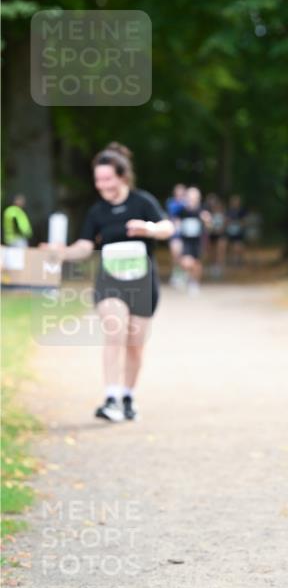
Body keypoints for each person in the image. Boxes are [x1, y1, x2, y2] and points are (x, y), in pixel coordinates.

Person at [42, 143, 174, 422]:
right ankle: (110, 397)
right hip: (110, 281)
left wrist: (148, 229)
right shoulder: (97, 212)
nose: (101, 185)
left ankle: (127, 396)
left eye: (107, 179)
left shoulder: (142, 201)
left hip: (142, 281)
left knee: (135, 344)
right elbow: (84, 245)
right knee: (115, 331)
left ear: (122, 177)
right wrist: (61, 252)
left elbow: (167, 228)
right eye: (98, 179)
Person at [178, 186, 211, 294]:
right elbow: (177, 222)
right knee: (186, 262)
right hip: (186, 240)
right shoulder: (183, 210)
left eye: (194, 196)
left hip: (198, 241)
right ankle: (187, 276)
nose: (192, 199)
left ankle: (194, 282)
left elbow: (209, 226)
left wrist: (207, 220)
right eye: (190, 196)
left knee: (197, 263)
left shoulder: (202, 210)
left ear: (198, 198)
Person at [166, 183, 187, 288]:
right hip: (175, 232)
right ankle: (176, 273)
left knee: (184, 255)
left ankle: (183, 274)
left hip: (185, 233)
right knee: (175, 254)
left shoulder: (187, 203)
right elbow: (173, 211)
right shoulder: (172, 203)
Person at [225, 194, 247, 266]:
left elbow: (244, 221)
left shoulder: (242, 211)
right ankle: (233, 260)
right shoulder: (229, 211)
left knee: (238, 245)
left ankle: (239, 260)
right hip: (231, 231)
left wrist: (237, 223)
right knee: (231, 246)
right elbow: (226, 221)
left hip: (239, 231)